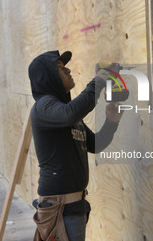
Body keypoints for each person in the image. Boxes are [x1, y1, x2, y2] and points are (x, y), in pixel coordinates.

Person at [28, 50, 122, 241]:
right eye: (60, 68)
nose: (68, 70)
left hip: (73, 207)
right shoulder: (43, 106)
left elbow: (95, 144)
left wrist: (111, 122)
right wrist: (98, 81)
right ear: (48, 77)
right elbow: (71, 113)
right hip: (59, 209)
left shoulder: (63, 114)